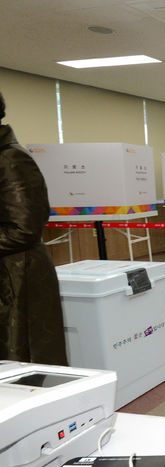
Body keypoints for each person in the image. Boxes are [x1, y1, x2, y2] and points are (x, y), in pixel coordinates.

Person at [0, 91, 68, 365]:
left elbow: (24, 229)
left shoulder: (11, 160)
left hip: (17, 280)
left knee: (24, 363)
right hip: (9, 275)